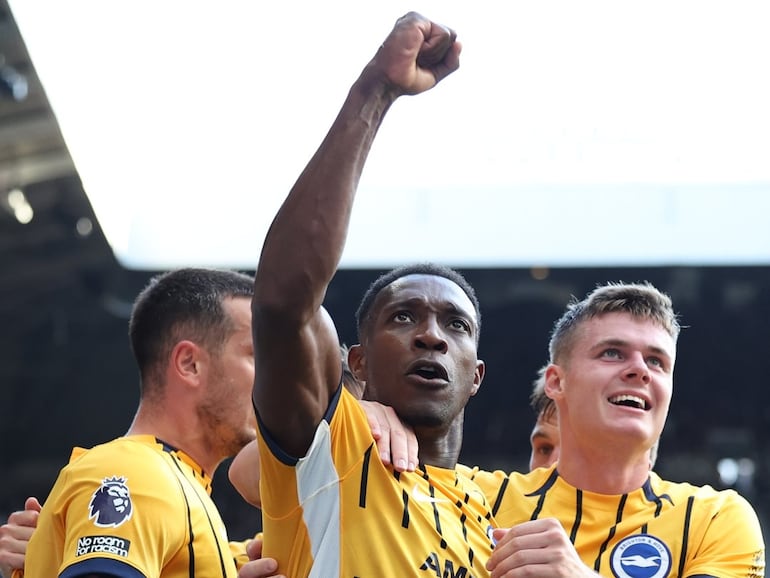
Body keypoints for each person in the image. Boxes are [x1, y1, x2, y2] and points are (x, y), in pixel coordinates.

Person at [250, 11, 497, 577]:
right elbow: (284, 305)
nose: (431, 335)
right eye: (404, 317)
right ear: (355, 362)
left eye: (455, 325)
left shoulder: (500, 526)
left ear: (476, 375)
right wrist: (376, 91)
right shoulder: (327, 451)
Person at [472, 282, 765, 577]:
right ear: (557, 382)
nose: (640, 370)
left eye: (656, 361)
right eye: (612, 353)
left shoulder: (715, 518)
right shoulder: (474, 498)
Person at [20, 268, 282, 578]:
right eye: (256, 356)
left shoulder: (175, 483)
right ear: (190, 364)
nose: (272, 378)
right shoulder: (134, 474)